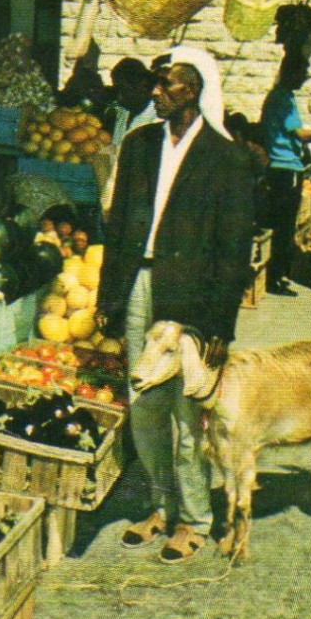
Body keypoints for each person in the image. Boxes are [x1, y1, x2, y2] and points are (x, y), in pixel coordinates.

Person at [96, 46, 257, 564]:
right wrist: (109, 296)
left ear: (194, 90)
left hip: (191, 296)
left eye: (168, 83)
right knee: (144, 406)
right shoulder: (140, 144)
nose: (157, 90)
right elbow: (118, 224)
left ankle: (195, 518)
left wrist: (218, 323)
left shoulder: (227, 158)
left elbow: (234, 248)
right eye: (158, 83)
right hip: (140, 286)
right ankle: (160, 505)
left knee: (189, 417)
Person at [260, 55, 311, 296]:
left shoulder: (278, 96)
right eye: (303, 72)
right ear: (292, 72)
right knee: (285, 224)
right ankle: (275, 277)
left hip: (280, 166)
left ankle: (278, 274)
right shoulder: (283, 98)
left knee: (281, 223)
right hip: (285, 167)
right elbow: (300, 134)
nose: (305, 77)